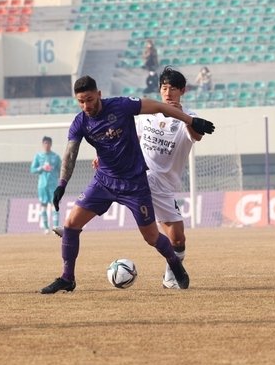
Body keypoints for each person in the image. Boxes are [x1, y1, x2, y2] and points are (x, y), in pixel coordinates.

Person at [40, 75, 215, 294]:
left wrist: (190, 120)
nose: (87, 105)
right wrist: (62, 183)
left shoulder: (121, 105)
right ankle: (67, 278)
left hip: (135, 183)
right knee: (71, 224)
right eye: (81, 101)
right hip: (104, 181)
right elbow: (70, 152)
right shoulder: (80, 122)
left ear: (99, 95)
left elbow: (157, 106)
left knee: (152, 237)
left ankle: (174, 262)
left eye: (90, 100)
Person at [136, 67, 211, 289]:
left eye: (173, 89)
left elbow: (197, 135)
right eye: (164, 88)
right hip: (140, 176)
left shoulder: (190, 117)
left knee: (178, 239)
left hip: (164, 187)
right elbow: (130, 138)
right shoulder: (146, 113)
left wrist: (184, 118)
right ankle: (71, 227)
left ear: (183, 91)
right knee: (106, 189)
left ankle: (171, 274)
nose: (168, 93)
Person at [30, 136, 61, 234]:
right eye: (45, 143)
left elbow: (61, 170)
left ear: (51, 144)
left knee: (54, 205)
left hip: (53, 184)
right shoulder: (38, 156)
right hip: (42, 185)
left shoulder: (56, 157)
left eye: (48, 143)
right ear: (42, 144)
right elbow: (32, 170)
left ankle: (55, 227)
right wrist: (41, 168)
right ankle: (46, 228)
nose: (47, 145)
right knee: (43, 205)